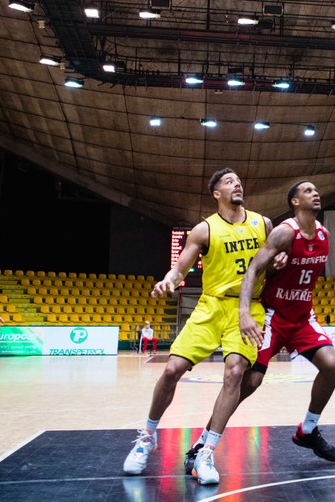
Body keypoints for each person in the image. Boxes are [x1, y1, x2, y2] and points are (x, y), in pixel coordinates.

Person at [123, 168, 276, 485]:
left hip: (247, 308)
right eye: (228, 182)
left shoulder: (263, 224)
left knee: (235, 371)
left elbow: (275, 264)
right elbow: (180, 268)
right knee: (171, 369)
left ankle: (206, 453)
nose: (237, 184)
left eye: (238, 180)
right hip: (210, 305)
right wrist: (168, 280)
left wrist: (280, 263)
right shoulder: (204, 230)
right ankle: (147, 437)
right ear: (216, 193)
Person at [235, 180, 335, 461]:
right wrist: (244, 311)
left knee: (332, 366)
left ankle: (307, 430)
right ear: (294, 202)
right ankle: (206, 439)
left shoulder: (324, 234)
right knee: (252, 382)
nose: (316, 193)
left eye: (316, 189)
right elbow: (254, 270)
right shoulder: (284, 233)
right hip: (273, 316)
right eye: (308, 191)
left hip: (302, 317)